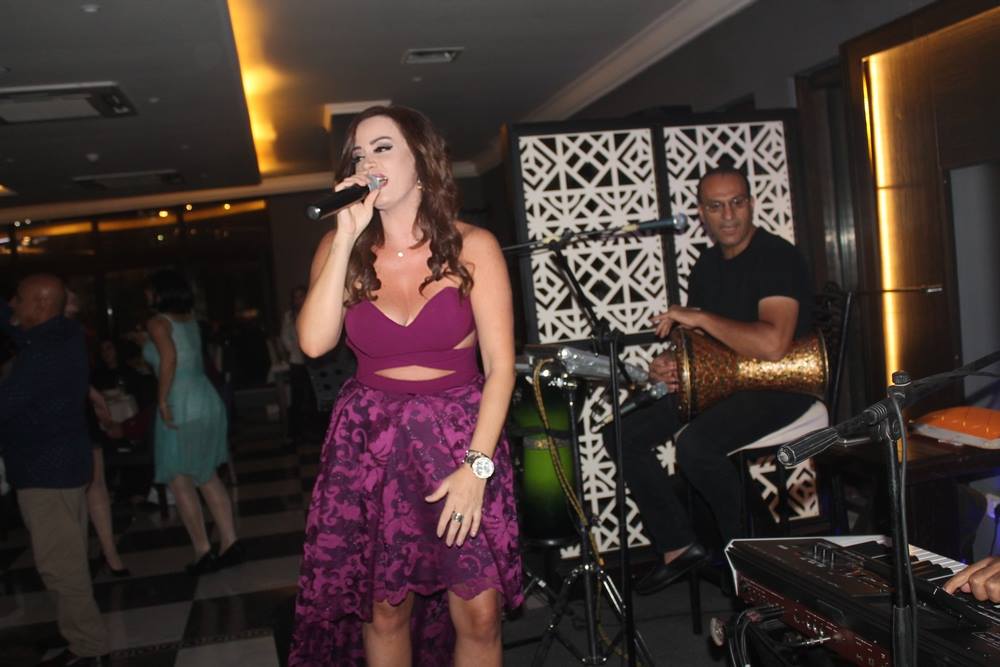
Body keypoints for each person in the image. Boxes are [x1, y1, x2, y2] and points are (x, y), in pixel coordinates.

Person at [289, 105, 522, 666]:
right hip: (371, 442)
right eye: (358, 154)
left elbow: (502, 368)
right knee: (385, 609)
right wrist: (345, 237)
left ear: (421, 160)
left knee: (480, 612)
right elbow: (314, 343)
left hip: (461, 439)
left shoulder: (474, 246)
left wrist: (477, 468)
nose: (367, 162)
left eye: (383, 148)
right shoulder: (340, 250)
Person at [604, 164, 815, 595]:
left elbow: (773, 344)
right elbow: (701, 342)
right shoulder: (707, 264)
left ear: (751, 204)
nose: (729, 215)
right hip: (724, 383)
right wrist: (671, 362)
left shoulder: (778, 257)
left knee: (696, 446)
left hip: (782, 384)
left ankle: (755, 566)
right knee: (622, 432)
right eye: (716, 206)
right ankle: (679, 546)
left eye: (737, 202)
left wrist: (698, 318)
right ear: (702, 213)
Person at [0, 274, 110, 666]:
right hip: (63, 465)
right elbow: (13, 322)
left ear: (42, 305)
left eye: (19, 299)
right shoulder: (64, 333)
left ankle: (88, 647)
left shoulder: (42, 353)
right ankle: (76, 631)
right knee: (68, 557)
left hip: (46, 471)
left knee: (61, 566)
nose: (13, 306)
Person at [142, 270, 243, 575]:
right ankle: (230, 542)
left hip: (180, 401)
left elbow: (169, 359)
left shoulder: (157, 322)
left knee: (180, 479)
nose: (146, 294)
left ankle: (202, 550)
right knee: (207, 475)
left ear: (160, 292)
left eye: (149, 289)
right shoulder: (190, 319)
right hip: (205, 398)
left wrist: (162, 401)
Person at [279, 284, 318, 444]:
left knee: (314, 396)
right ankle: (295, 433)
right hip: (297, 361)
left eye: (301, 296)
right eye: (295, 297)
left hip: (314, 362)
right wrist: (293, 349)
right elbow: (285, 337)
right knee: (297, 397)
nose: (298, 300)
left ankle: (314, 430)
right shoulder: (289, 316)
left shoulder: (314, 311)